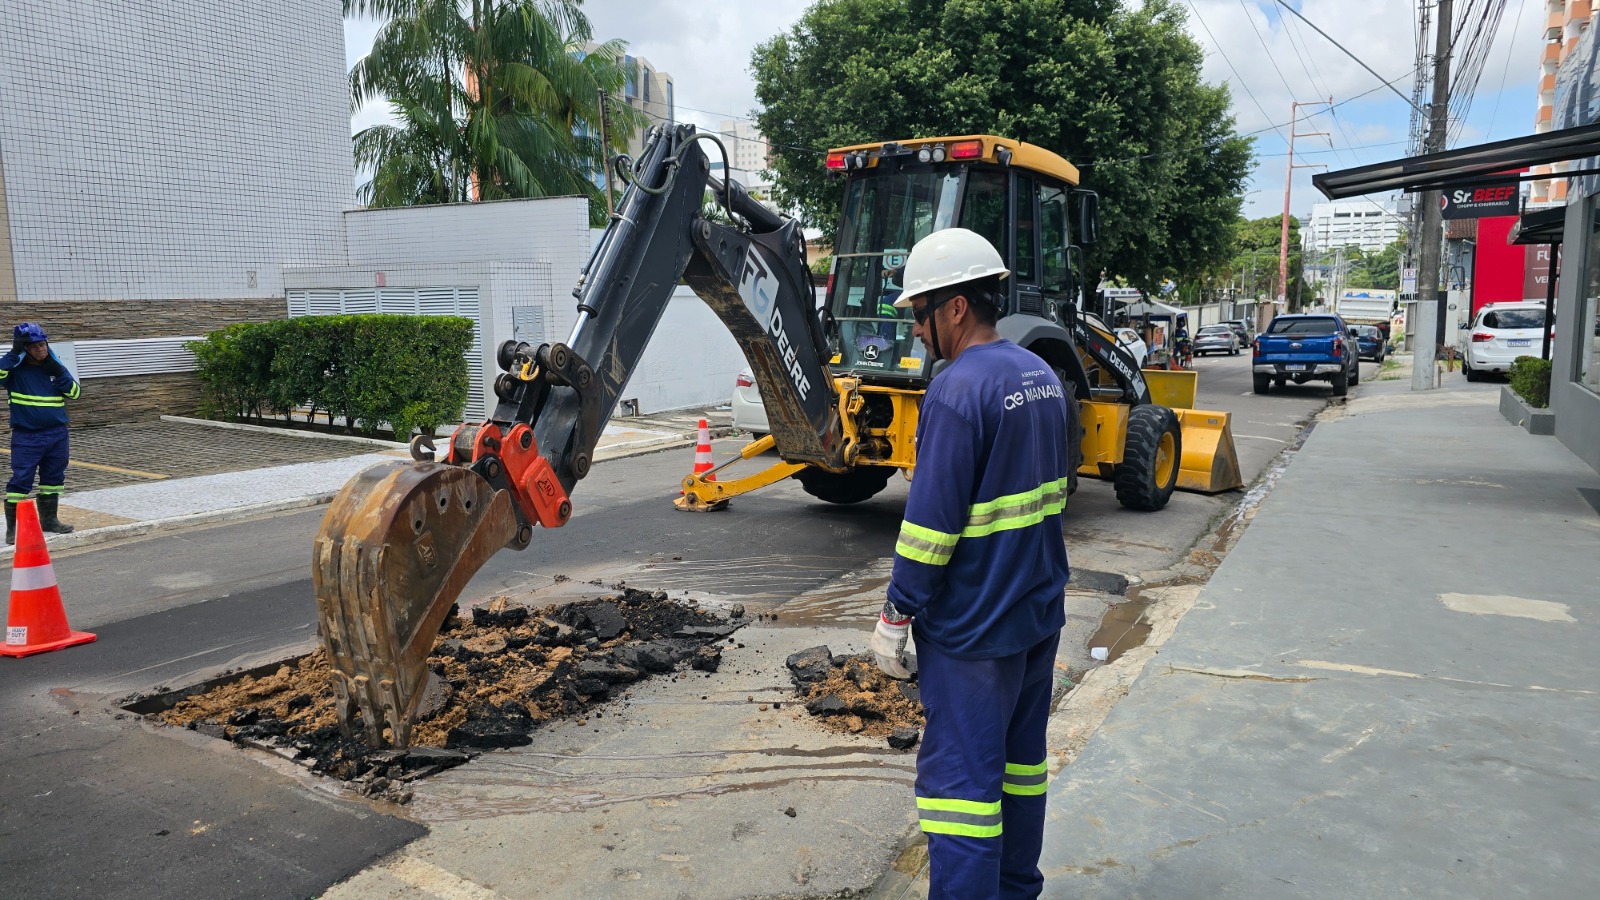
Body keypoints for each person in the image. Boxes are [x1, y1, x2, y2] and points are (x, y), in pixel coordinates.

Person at [870, 228, 1071, 899]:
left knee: (962, 790)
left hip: (974, 631)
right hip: (1036, 615)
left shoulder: (957, 393)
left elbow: (929, 529)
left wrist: (897, 612)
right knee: (1019, 771)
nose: (918, 331)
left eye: (921, 314)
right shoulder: (1040, 377)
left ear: (955, 308)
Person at [1, 323, 80, 544]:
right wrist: (13, 353)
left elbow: (75, 393)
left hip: (57, 434)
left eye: (43, 344)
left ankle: (49, 520)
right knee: (21, 481)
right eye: (34, 346)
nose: (40, 349)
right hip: (27, 436)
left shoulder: (54, 367)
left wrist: (59, 372)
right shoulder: (15, 371)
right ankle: (13, 530)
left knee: (53, 479)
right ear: (24, 347)